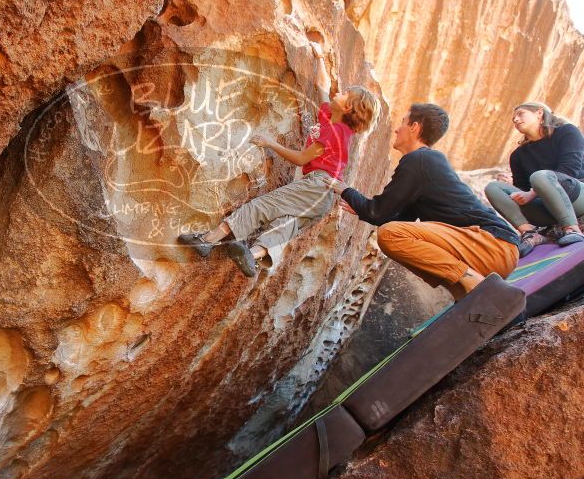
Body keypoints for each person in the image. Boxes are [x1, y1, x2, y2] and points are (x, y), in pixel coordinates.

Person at [177, 42, 380, 277]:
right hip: (323, 196)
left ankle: (208, 239)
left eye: (345, 95)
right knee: (284, 225)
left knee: (262, 207)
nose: (338, 92)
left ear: (349, 109)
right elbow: (323, 88)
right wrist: (320, 56)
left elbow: (303, 159)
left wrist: (270, 144)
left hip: (318, 186)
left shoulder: (335, 132)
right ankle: (252, 257)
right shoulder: (330, 119)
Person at [321, 103, 519, 301]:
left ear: (415, 127)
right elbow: (393, 217)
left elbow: (378, 213)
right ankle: (472, 298)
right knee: (396, 233)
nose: (397, 129)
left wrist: (343, 189)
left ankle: (474, 282)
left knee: (389, 235)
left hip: (493, 246)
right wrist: (363, 209)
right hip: (491, 253)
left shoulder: (419, 160)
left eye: (403, 122)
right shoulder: (425, 163)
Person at [484, 102, 584, 257]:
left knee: (540, 176)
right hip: (547, 208)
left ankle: (572, 228)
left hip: (576, 196)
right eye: (513, 118)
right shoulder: (518, 155)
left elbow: (570, 170)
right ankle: (529, 232)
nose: (516, 120)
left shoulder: (567, 132)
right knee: (493, 188)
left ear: (539, 113)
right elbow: (521, 190)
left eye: (521, 114)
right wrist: (519, 192)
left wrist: (532, 193)